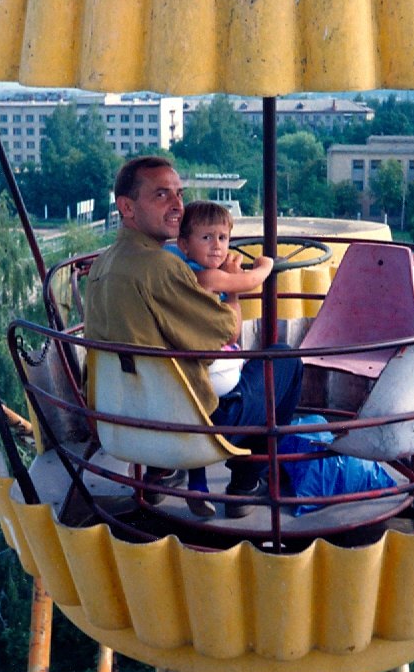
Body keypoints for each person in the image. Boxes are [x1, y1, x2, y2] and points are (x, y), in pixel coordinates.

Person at [84, 156, 302, 518]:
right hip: (187, 431)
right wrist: (233, 289)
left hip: (124, 425)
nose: (176, 205)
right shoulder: (159, 267)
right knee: (283, 360)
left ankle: (162, 471)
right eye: (161, 195)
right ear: (127, 207)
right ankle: (247, 481)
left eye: (178, 194)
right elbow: (225, 332)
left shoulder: (103, 264)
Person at [166, 200, 274, 516]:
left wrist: (233, 292)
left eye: (223, 238)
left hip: (181, 374)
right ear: (184, 244)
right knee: (263, 368)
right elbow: (251, 285)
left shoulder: (175, 268)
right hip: (213, 375)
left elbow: (230, 326)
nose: (217, 247)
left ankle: (197, 484)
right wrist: (264, 266)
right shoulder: (206, 279)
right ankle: (251, 472)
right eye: (206, 238)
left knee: (195, 416)